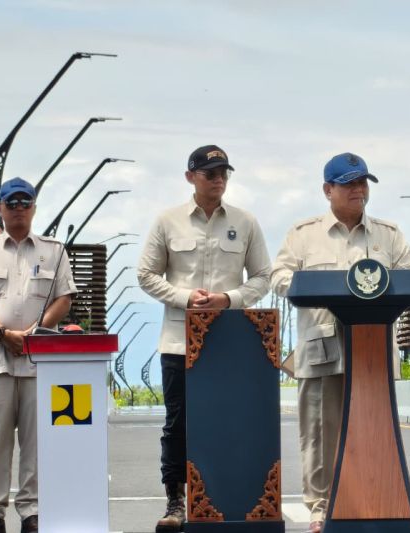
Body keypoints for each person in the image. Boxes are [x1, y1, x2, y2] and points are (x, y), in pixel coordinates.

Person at [271, 152, 410, 533]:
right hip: (322, 346)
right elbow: (280, 277)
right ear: (328, 189)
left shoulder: (389, 234)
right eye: (350, 183)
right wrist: (325, 289)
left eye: (363, 182)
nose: (359, 189)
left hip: (373, 351)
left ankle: (379, 501)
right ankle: (320, 508)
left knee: (376, 430)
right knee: (320, 433)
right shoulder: (303, 235)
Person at [137, 145, 271, 532]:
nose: (218, 180)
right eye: (210, 173)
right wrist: (185, 298)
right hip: (180, 341)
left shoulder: (245, 222)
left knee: (230, 420)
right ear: (190, 177)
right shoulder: (168, 222)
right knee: (178, 423)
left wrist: (229, 299)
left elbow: (263, 276)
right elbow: (146, 274)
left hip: (230, 343)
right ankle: (176, 502)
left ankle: (227, 496)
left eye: (224, 173)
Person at [0, 177, 77, 533]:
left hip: (36, 361)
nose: (18, 209)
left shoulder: (54, 250)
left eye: (25, 203)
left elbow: (65, 296)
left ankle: (31, 510)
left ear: (33, 207)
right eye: (11, 203)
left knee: (34, 442)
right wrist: (3, 333)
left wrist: (37, 331)